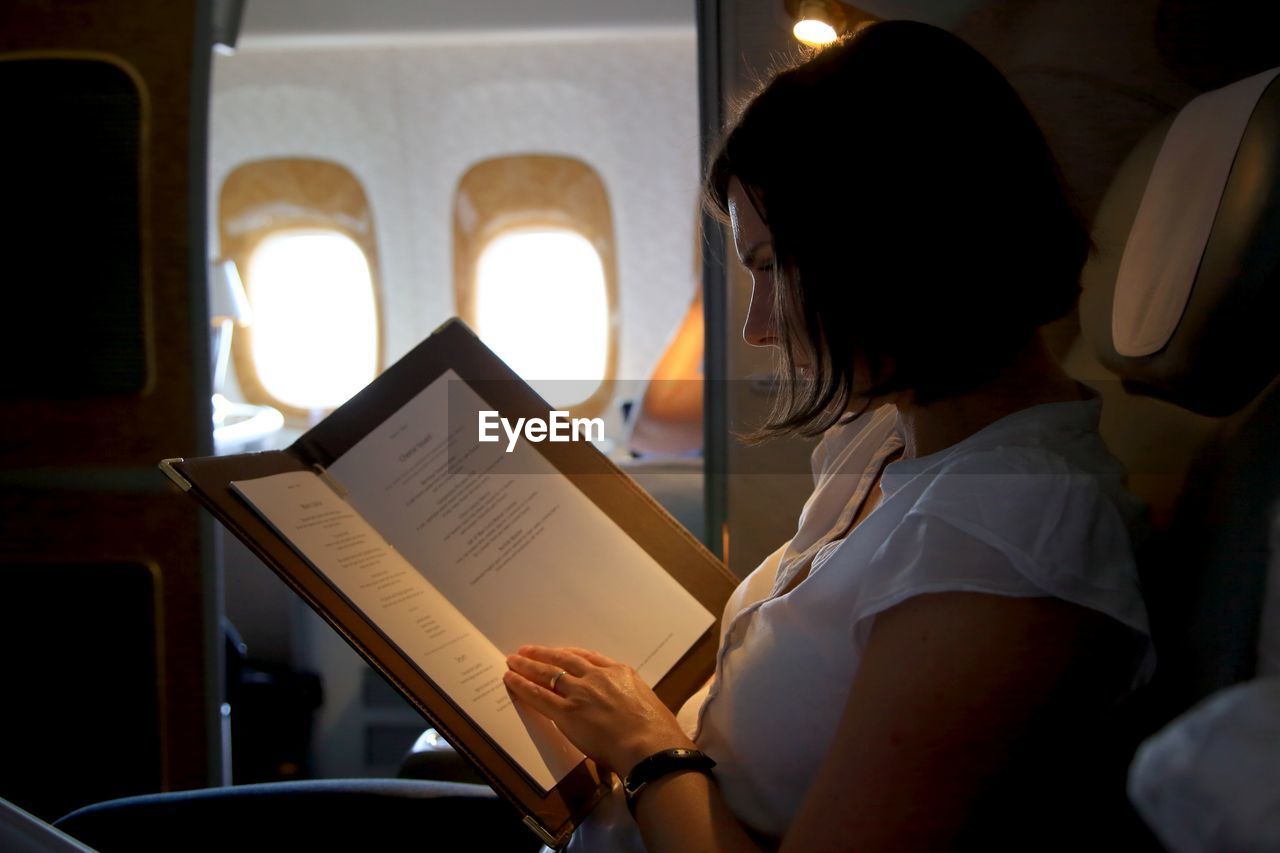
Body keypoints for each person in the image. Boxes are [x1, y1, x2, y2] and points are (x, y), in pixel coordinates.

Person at [504, 20, 1153, 851]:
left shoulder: (1014, 534)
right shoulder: (890, 438)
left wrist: (646, 747)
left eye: (773, 267)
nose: (757, 327)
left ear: (890, 244)